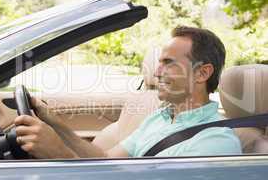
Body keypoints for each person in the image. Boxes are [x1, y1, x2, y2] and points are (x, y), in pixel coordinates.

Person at [14, 26, 242, 158]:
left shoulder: (216, 144)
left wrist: (58, 153)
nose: (157, 72)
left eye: (168, 63)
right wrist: (57, 125)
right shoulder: (159, 118)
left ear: (202, 73)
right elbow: (106, 161)